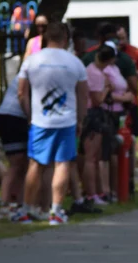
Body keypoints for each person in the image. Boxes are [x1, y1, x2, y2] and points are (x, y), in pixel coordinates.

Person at [17, 21, 89, 225]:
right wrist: (80, 119)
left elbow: (22, 92)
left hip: (40, 120)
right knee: (62, 163)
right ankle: (56, 211)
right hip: (66, 120)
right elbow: (83, 95)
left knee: (36, 163)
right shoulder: (75, 62)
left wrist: (29, 115)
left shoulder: (32, 60)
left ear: (45, 37)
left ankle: (26, 209)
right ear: (66, 39)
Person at [82, 46, 132, 205]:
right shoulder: (96, 74)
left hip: (93, 115)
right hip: (93, 115)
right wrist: (107, 88)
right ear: (110, 60)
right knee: (92, 158)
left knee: (94, 158)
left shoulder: (91, 69)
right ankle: (92, 194)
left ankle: (96, 192)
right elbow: (97, 99)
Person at [0, 68, 31, 221]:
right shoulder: (34, 69)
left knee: (23, 165)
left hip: (17, 118)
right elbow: (23, 95)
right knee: (16, 164)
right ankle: (4, 204)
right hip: (12, 117)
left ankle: (19, 203)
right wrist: (31, 118)